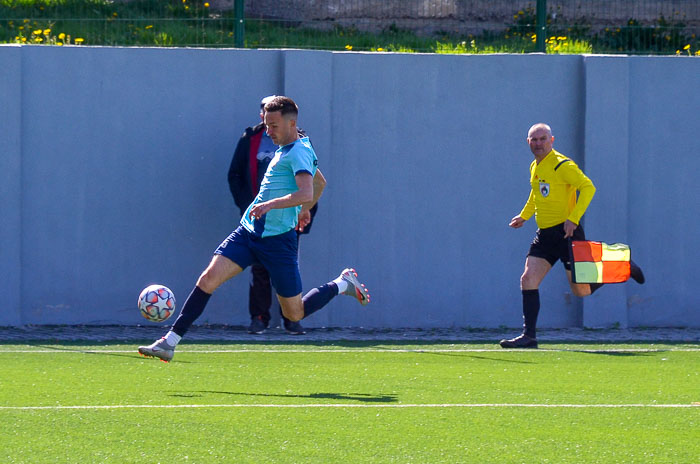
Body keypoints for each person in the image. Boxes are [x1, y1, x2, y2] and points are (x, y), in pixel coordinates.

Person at [139, 96, 370, 362]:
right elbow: (320, 184)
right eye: (266, 124)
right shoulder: (292, 145)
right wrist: (304, 209)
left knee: (294, 313)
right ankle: (169, 342)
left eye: (273, 126)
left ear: (291, 122)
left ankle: (342, 284)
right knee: (207, 280)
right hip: (249, 233)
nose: (268, 131)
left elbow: (307, 190)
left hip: (279, 243)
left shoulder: (299, 151)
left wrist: (276, 204)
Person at [500, 123, 644, 349]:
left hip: (567, 233)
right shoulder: (535, 166)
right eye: (534, 140)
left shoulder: (562, 165)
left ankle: (623, 262)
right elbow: (536, 193)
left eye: (542, 139)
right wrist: (525, 216)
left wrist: (574, 218)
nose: (538, 143)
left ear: (552, 140)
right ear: (528, 142)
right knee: (528, 279)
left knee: (581, 290)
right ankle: (529, 337)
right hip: (545, 235)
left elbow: (588, 187)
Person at [228, 95, 318, 335]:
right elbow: (235, 174)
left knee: (286, 269)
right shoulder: (251, 138)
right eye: (263, 115)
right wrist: (249, 205)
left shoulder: (298, 142)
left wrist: (305, 209)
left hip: (286, 218)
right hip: (259, 219)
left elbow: (315, 181)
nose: (268, 124)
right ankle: (259, 318)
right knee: (258, 270)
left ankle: (292, 319)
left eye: (272, 120)